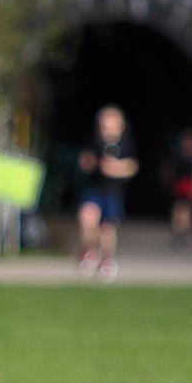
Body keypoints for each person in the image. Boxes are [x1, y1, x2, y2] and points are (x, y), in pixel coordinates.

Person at [75, 104, 137, 282]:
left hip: (113, 192)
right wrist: (89, 163)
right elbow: (84, 161)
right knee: (87, 216)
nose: (107, 128)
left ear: (120, 125)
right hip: (95, 189)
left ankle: (107, 260)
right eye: (104, 124)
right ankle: (89, 251)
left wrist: (116, 168)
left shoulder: (126, 144)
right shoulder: (94, 141)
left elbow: (132, 166)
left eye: (111, 124)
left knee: (107, 229)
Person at [164, 127, 192, 246]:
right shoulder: (179, 154)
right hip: (181, 185)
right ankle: (179, 231)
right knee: (180, 208)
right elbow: (169, 169)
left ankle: (186, 232)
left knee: (190, 210)